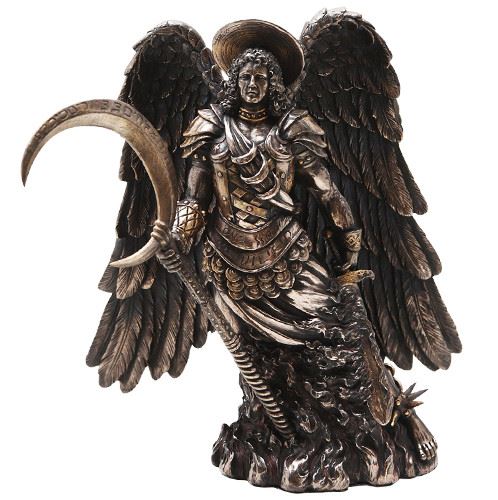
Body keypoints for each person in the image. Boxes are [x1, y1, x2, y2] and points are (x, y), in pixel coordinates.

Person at [157, 46, 437, 489]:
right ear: (234, 82)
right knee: (258, 355)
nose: (252, 85)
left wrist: (349, 240)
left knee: (341, 330)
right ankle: (278, 432)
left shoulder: (291, 130)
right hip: (227, 263)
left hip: (287, 254)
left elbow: (326, 190)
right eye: (245, 77)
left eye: (261, 78)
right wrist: (179, 237)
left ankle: (381, 423)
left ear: (273, 84)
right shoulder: (210, 127)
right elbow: (195, 197)